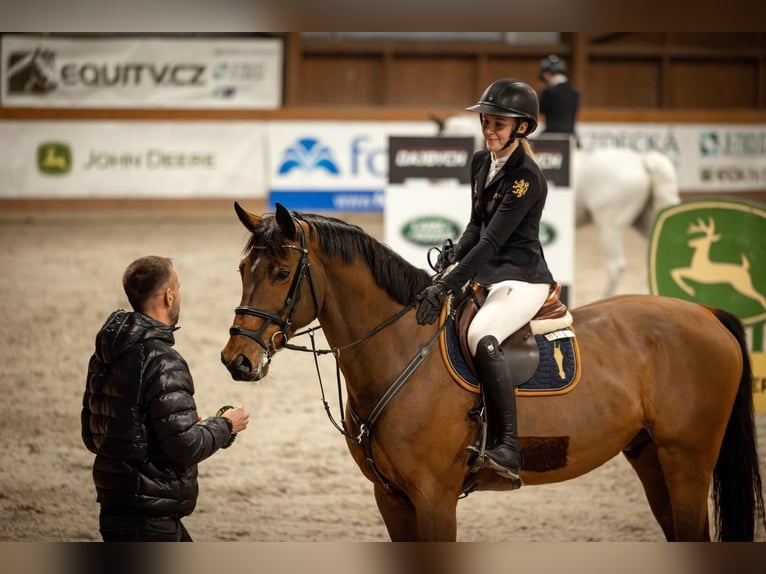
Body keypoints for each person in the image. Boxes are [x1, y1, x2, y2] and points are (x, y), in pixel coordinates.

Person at [416, 79, 555, 481]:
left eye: (498, 125)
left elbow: (494, 241)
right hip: (489, 276)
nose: (489, 131)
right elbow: (477, 226)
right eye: (486, 123)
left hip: (522, 279)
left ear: (521, 129)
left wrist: (447, 283)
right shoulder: (480, 163)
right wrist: (453, 255)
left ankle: (507, 445)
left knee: (481, 336)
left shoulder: (526, 177)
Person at [82, 255, 250, 541]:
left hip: (116, 509)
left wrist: (174, 423)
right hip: (150, 518)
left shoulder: (104, 356)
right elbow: (186, 446)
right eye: (179, 288)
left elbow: (93, 435)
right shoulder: (163, 361)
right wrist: (225, 425)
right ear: (169, 296)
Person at [538, 54, 580, 143]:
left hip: (552, 136)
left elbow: (538, 109)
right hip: (571, 136)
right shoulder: (574, 92)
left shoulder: (549, 92)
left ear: (547, 73)